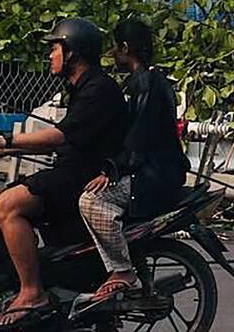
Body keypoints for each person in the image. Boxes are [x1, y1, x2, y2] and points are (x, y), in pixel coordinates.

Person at [0, 19, 128, 327]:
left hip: (85, 177)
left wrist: (8, 140)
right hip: (72, 170)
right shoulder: (81, 88)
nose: (50, 55)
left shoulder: (99, 89)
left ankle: (31, 292)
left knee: (7, 204)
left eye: (55, 48)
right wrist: (8, 150)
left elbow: (60, 137)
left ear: (72, 53)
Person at [75, 18, 188, 309]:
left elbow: (140, 137)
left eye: (116, 47)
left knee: (91, 201)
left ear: (125, 48)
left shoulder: (146, 82)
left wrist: (111, 170)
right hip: (157, 170)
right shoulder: (147, 79)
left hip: (154, 175)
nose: (113, 54)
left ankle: (123, 270)